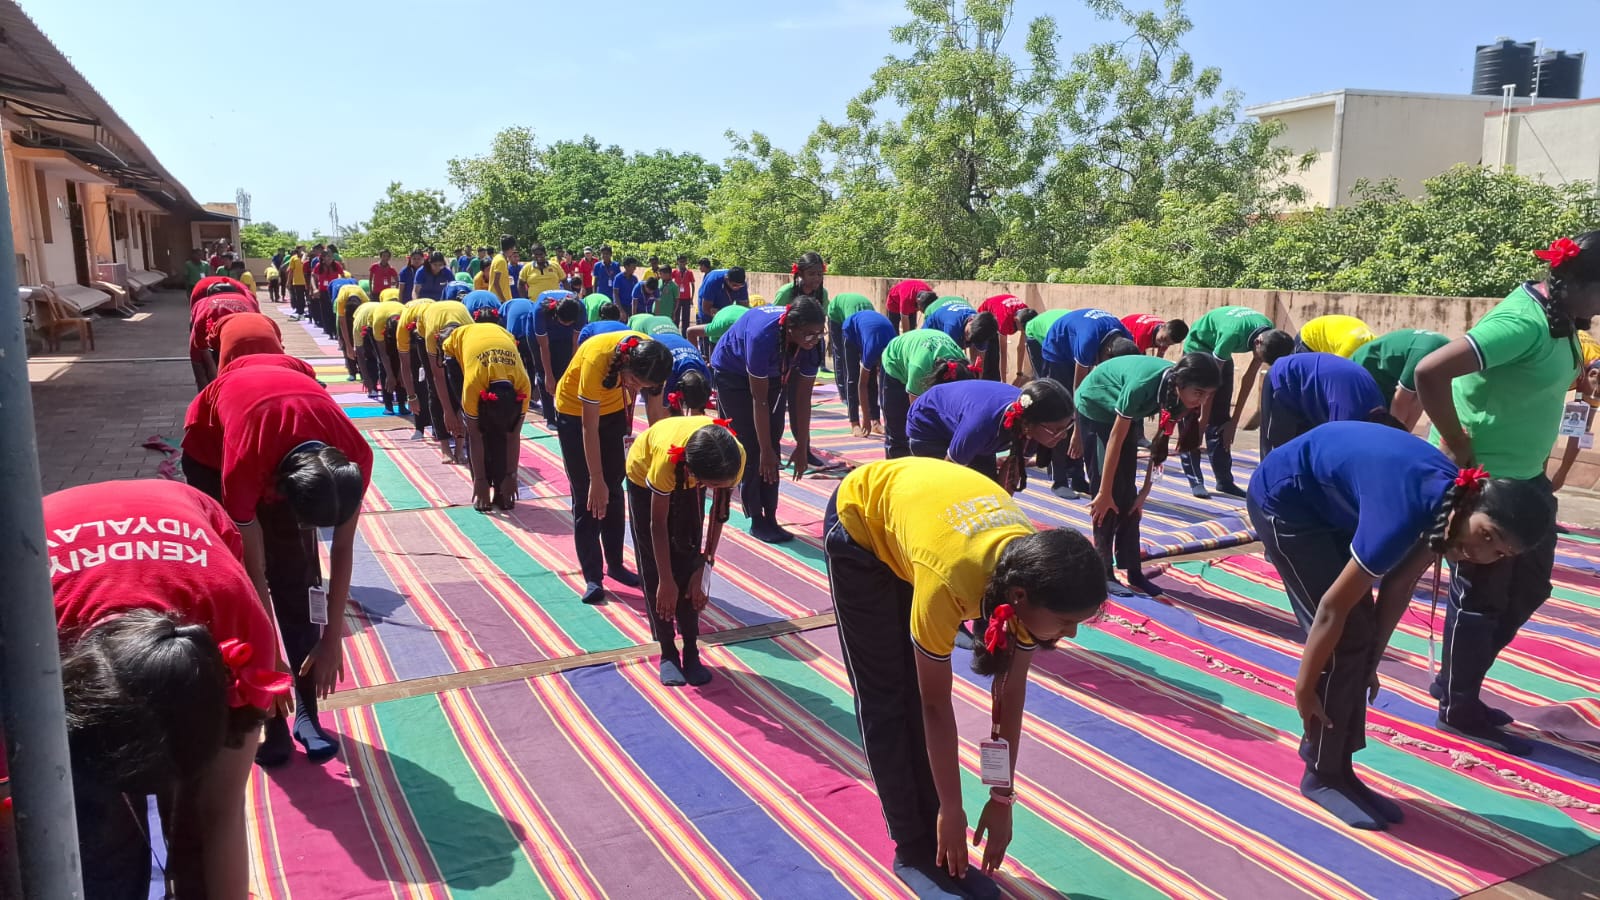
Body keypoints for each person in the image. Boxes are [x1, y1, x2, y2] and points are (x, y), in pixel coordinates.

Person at [825, 458, 1106, 898]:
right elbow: (935, 705)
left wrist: (1002, 798)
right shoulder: (950, 582)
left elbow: (1009, 696)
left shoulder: (1030, 576)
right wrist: (952, 812)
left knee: (913, 689)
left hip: (927, 521)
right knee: (889, 695)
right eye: (1066, 621)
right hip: (863, 524)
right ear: (1018, 597)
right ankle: (914, 849)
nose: (1069, 635)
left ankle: (934, 840)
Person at [1246, 422, 1552, 827]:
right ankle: (1322, 774)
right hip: (1284, 501)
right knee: (1344, 637)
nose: (1483, 553)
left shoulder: (1450, 511)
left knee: (1359, 639)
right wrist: (1303, 688)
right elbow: (1330, 610)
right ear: (1474, 504)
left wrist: (1372, 662)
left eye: (1500, 553)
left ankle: (1340, 768)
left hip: (1331, 503)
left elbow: (1398, 585)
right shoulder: (1408, 510)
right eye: (1487, 535)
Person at [45, 480, 290, 898]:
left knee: (198, 819)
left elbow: (223, 813)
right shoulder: (25, 635)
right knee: (98, 835)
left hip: (185, 512)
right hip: (53, 537)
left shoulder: (244, 634)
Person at [1413, 233, 1600, 754]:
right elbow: (1431, 370)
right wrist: (1455, 439)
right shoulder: (1522, 322)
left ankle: (1457, 678)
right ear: (1578, 283)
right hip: (1488, 481)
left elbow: (1526, 382)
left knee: (1532, 587)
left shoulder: (1561, 322)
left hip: (1528, 479)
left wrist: (1577, 383)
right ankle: (1459, 702)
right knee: (1484, 594)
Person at [180, 364, 372, 767]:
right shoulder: (245, 466)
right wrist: (267, 654)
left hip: (285, 436)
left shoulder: (353, 457)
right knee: (235, 586)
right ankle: (269, 720)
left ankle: (306, 714)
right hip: (212, 452)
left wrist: (332, 637)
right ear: (283, 492)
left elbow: (342, 549)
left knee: (297, 579)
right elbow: (252, 573)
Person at [1077, 353, 1221, 594]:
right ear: (1180, 383)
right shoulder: (1142, 386)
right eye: (1199, 393)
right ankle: (1104, 573)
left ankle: (1133, 570)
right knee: (1108, 498)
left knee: (1130, 498)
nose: (1203, 400)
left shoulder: (1179, 396)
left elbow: (1159, 446)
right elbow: (1114, 438)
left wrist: (1144, 492)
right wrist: (1103, 492)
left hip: (1124, 413)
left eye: (1208, 394)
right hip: (1096, 408)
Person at [626, 416, 744, 685]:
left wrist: (705, 564)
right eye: (710, 485)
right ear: (693, 472)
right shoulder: (666, 465)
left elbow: (719, 513)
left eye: (715, 486)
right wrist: (666, 581)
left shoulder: (733, 457)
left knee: (689, 559)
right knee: (656, 570)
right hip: (645, 482)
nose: (713, 490)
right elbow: (656, 525)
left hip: (693, 475)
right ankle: (668, 651)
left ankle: (691, 649)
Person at [555, 331, 671, 603]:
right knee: (588, 496)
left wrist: (658, 456)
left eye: (642, 386)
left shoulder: (656, 358)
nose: (638, 388)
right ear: (625, 363)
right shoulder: (598, 358)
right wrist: (596, 478)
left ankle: (616, 564)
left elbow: (655, 417)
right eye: (634, 382)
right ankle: (593, 577)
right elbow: (588, 426)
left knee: (615, 489)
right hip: (575, 416)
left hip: (615, 411)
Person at [712, 299, 827, 543]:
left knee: (773, 440)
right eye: (808, 334)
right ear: (791, 328)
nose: (814, 339)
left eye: (819, 333)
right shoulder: (762, 337)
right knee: (752, 447)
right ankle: (756, 517)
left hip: (774, 371)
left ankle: (771, 515)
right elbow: (759, 400)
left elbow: (802, 400)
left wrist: (801, 445)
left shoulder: (812, 345)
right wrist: (764, 450)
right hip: (733, 373)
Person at [1180, 305, 1295, 498]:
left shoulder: (1268, 333)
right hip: (1198, 351)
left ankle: (1224, 480)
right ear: (1258, 342)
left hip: (1220, 353)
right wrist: (1201, 421)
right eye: (1259, 356)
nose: (1258, 359)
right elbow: (1210, 386)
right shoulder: (1231, 335)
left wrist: (1234, 422)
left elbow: (1248, 378)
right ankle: (1195, 479)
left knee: (1222, 421)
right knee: (1192, 418)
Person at [907, 378, 1073, 492]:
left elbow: (1012, 471)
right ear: (1031, 423)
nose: (1064, 436)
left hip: (972, 431)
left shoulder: (1029, 423)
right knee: (957, 490)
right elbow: (948, 474)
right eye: (1057, 429)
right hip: (930, 426)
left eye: (1067, 427)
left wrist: (1003, 513)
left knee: (987, 489)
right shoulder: (981, 426)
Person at [1042, 309, 1139, 499]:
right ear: (1107, 352)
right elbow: (1079, 392)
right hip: (1058, 351)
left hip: (1080, 341)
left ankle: (1077, 477)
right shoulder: (1088, 343)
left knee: (1086, 419)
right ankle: (1059, 479)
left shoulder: (1126, 338)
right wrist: (1077, 433)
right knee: (1061, 413)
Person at [443, 322, 532, 511]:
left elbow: (513, 435)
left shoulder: (523, 386)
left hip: (501, 339)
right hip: (457, 352)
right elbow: (475, 436)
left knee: (501, 435)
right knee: (480, 431)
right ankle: (482, 491)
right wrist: (480, 481)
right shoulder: (473, 386)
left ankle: (501, 491)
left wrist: (511, 476)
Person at [1259, 352, 1399, 458]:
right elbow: (1334, 458)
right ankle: (1265, 493)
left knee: (1304, 452)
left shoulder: (1377, 406)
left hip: (1313, 392)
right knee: (1278, 453)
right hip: (1285, 377)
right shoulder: (1347, 417)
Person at [880, 330, 973, 460]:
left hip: (925, 353)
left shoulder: (963, 367)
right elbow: (915, 416)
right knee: (898, 428)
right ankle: (896, 469)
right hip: (896, 361)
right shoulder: (919, 369)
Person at [1349, 328, 1451, 430]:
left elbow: (1419, 402)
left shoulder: (1447, 355)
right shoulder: (1425, 357)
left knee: (1387, 422)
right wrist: (1397, 436)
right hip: (1365, 368)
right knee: (1369, 420)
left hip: (1387, 374)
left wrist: (1407, 434)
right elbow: (1401, 400)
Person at [420, 294, 476, 463]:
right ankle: (445, 447)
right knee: (436, 393)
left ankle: (460, 448)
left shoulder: (470, 334)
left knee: (459, 390)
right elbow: (438, 377)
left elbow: (469, 378)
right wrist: (448, 412)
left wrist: (461, 410)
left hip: (459, 334)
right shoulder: (431, 335)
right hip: (428, 327)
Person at [533, 290, 588, 426]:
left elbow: (575, 344)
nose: (568, 325)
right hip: (543, 332)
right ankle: (550, 417)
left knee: (565, 367)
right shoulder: (540, 311)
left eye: (570, 323)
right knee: (544, 372)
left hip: (566, 335)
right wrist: (549, 375)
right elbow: (544, 347)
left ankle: (567, 413)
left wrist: (572, 371)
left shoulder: (579, 309)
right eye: (565, 323)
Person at [841, 307, 896, 437]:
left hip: (872, 330)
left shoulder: (895, 349)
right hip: (852, 330)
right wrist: (865, 418)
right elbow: (861, 385)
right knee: (853, 378)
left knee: (874, 382)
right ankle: (854, 423)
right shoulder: (871, 350)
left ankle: (876, 422)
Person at [189, 291, 259, 390]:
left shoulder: (202, 305)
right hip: (252, 332)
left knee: (212, 370)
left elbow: (199, 353)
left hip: (231, 332)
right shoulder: (248, 299)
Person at [397, 290, 437, 440]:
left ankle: (437, 425)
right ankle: (419, 427)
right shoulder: (403, 329)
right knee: (418, 381)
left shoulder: (434, 323)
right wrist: (411, 396)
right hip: (415, 325)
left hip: (432, 329)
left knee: (437, 383)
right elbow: (405, 366)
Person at [923, 298, 1000, 372]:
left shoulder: (983, 329)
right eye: (967, 333)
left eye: (972, 340)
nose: (967, 340)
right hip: (932, 332)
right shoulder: (952, 326)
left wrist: (975, 380)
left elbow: (979, 364)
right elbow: (950, 361)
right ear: (970, 320)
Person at [369, 291, 411, 416]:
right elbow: (383, 354)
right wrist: (390, 375)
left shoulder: (405, 320)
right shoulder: (378, 322)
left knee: (400, 366)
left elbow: (405, 353)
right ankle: (388, 405)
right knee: (384, 366)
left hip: (401, 331)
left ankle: (402, 404)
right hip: (377, 329)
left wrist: (400, 373)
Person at [977, 294, 1036, 383]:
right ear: (1016, 320)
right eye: (1022, 329)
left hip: (1001, 311)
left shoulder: (1026, 313)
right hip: (985, 318)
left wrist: (1019, 374)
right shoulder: (1004, 320)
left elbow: (1021, 348)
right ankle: (984, 382)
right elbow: (1003, 352)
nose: (1023, 332)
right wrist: (1004, 382)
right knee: (991, 355)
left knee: (995, 357)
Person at [657, 331, 712, 416]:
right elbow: (661, 410)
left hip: (674, 340)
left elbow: (699, 409)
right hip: (655, 342)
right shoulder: (668, 374)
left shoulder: (705, 375)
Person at [213, 312, 287, 370]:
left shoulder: (222, 321)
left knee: (225, 378)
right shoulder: (264, 318)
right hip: (269, 347)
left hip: (235, 349)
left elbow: (212, 342)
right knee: (280, 369)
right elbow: (278, 339)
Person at [333, 279, 371, 382]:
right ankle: (352, 371)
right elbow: (342, 323)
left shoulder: (365, 301)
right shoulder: (341, 301)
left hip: (361, 318)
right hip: (344, 310)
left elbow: (367, 323)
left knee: (364, 343)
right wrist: (348, 345)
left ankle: (364, 370)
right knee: (347, 342)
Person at [1296, 314, 1377, 358]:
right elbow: (1336, 369)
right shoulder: (1351, 345)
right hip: (1307, 340)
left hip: (1322, 337)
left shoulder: (1370, 338)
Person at [1020, 308, 1069, 380]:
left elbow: (1036, 358)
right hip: (1066, 325)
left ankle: (1042, 383)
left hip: (1060, 333)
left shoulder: (1030, 326)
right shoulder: (1040, 323)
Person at [686, 302, 750, 354]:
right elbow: (690, 331)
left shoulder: (754, 324)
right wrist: (698, 358)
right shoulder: (720, 327)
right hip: (727, 321)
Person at [1120, 313, 1188, 359]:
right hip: (1121, 335)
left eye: (1168, 344)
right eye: (1163, 339)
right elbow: (1133, 359)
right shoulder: (1143, 334)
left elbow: (1159, 359)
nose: (1162, 344)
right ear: (1162, 326)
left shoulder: (1166, 335)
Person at [672, 254, 697, 333]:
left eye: (684, 262)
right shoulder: (675, 272)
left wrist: (692, 298)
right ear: (677, 262)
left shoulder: (689, 272)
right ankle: (675, 333)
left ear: (686, 262)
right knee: (676, 317)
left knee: (686, 318)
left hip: (687, 298)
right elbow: (670, 282)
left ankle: (685, 335)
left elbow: (692, 285)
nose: (682, 263)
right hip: (677, 298)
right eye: (680, 262)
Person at [487, 235, 516, 301]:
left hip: (499, 298)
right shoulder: (501, 261)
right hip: (499, 299)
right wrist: (503, 300)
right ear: (510, 248)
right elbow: (496, 283)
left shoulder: (498, 257)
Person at [287, 246, 310, 320]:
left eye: (304, 249)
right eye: (301, 249)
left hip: (306, 281)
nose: (303, 250)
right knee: (300, 298)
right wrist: (288, 282)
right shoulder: (294, 258)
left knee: (309, 297)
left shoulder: (307, 258)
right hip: (297, 281)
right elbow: (291, 271)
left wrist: (305, 256)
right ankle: (300, 313)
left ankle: (310, 312)